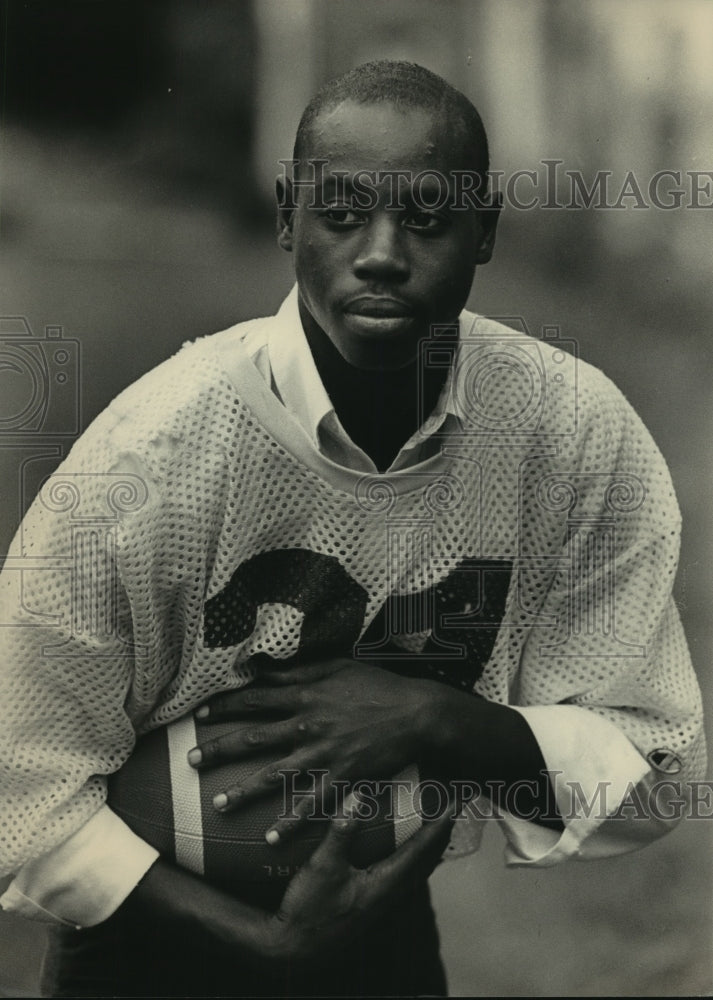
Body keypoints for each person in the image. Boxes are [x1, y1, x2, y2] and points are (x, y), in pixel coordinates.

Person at [0, 60, 705, 997]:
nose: (380, 253)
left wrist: (443, 719)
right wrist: (266, 946)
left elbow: (650, 772)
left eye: (425, 218)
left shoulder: (566, 432)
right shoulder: (147, 460)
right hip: (142, 942)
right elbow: (21, 785)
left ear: (484, 229)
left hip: (380, 925)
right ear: (289, 216)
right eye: (341, 215)